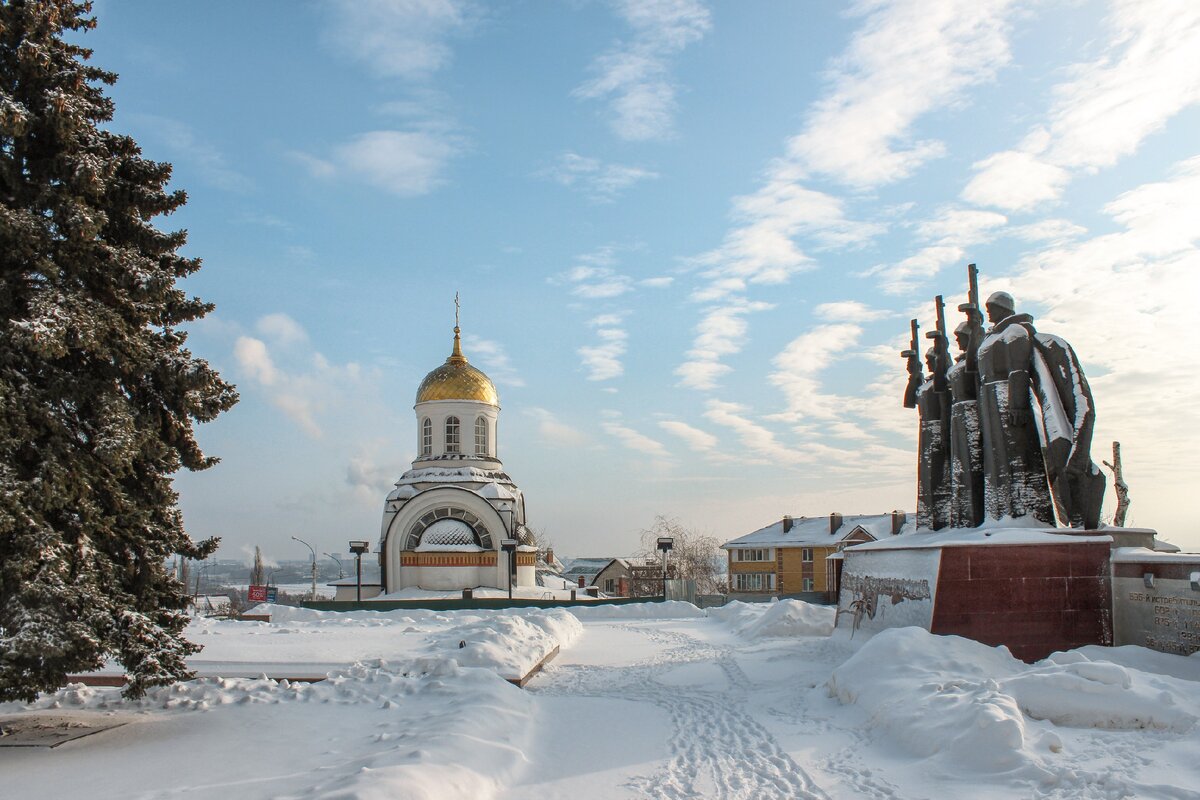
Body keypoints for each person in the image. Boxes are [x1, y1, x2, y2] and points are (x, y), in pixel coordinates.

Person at [975, 292, 1055, 525]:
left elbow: (1018, 370)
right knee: (996, 457)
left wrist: (1017, 404)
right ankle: (999, 514)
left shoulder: (1015, 332)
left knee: (1014, 456)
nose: (988, 311)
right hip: (990, 398)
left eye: (992, 307)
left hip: (1005, 398)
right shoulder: (995, 335)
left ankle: (1024, 515)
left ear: (1004, 307)